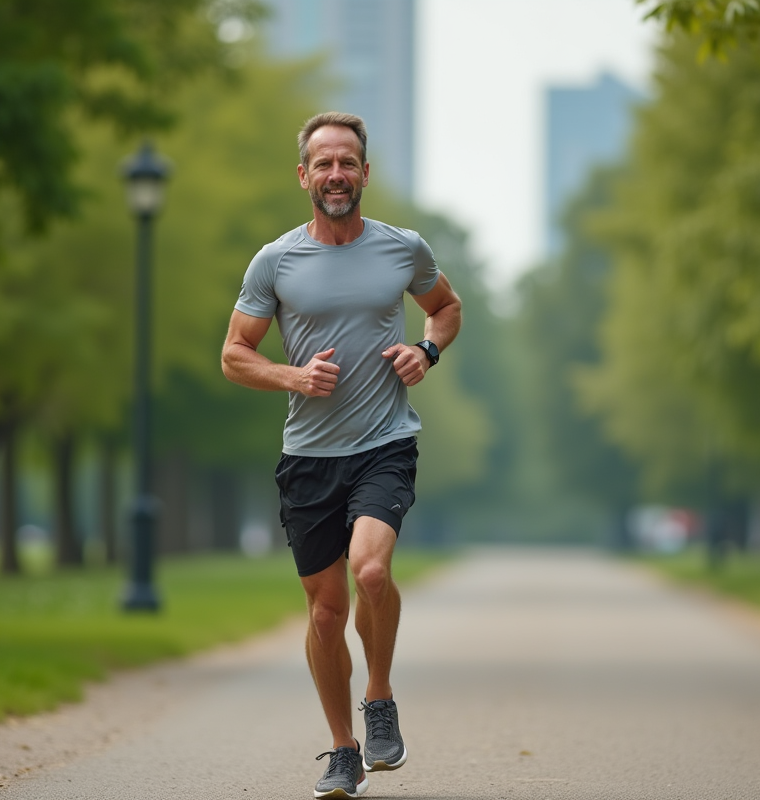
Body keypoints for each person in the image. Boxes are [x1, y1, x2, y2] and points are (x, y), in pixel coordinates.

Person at [221, 111, 462, 799]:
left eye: (347, 162)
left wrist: (427, 350)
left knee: (372, 570)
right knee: (325, 613)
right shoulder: (275, 261)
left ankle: (379, 696)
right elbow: (234, 355)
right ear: (304, 175)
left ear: (365, 173)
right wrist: (292, 377)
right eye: (323, 163)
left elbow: (445, 307)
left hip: (385, 442)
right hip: (308, 457)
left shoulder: (401, 249)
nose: (335, 174)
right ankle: (342, 748)